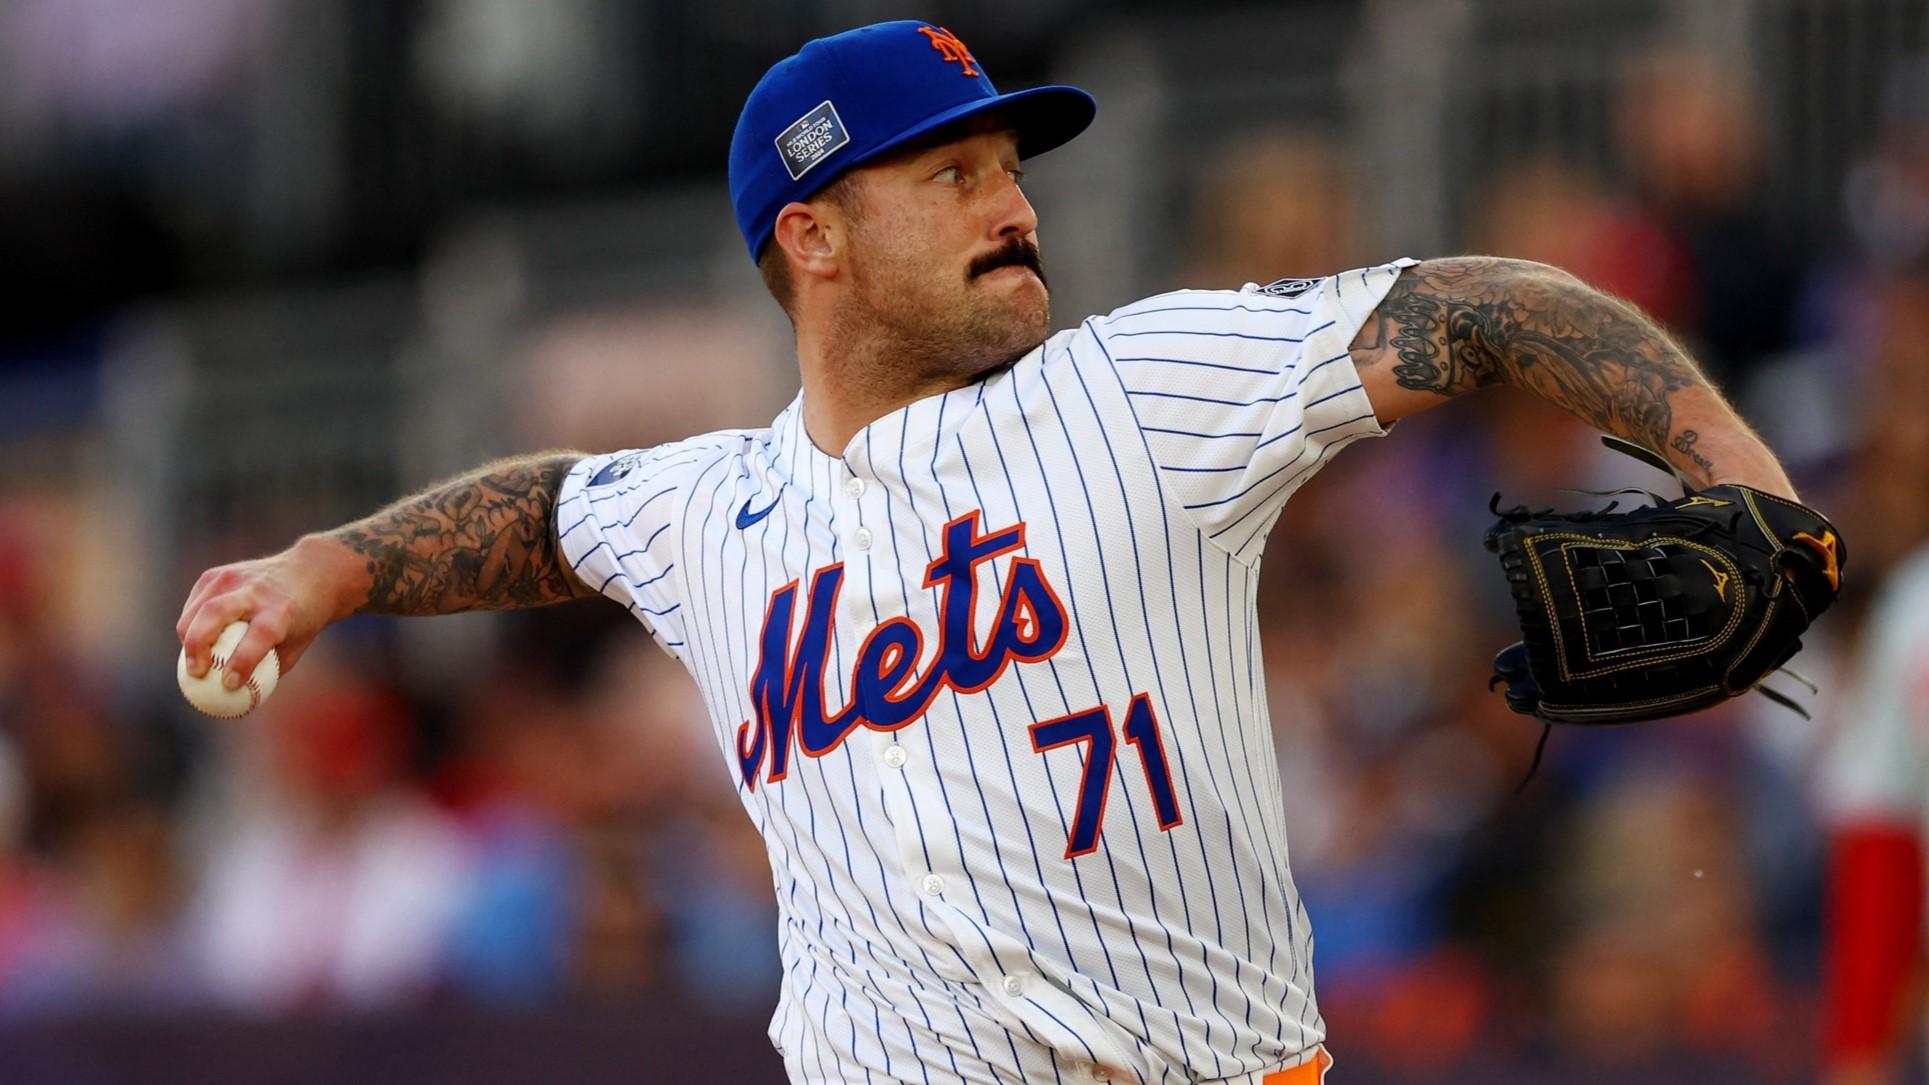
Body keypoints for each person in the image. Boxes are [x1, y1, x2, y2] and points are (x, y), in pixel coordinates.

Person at [176, 21, 1799, 1085]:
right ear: (808, 236)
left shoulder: (1141, 386)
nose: (1008, 203)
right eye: (948, 173)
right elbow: (541, 512)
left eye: (1009, 169)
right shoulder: (707, 508)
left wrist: (1730, 461)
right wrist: (328, 564)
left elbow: (1479, 304)